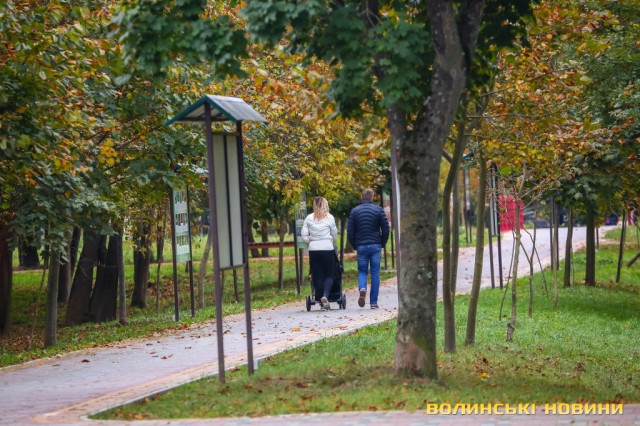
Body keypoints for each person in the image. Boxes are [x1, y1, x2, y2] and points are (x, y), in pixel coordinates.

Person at [347, 188, 389, 309]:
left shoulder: (354, 211)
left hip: (361, 245)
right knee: (375, 273)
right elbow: (385, 229)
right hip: (375, 245)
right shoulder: (379, 210)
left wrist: (355, 245)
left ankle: (362, 288)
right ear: (372, 197)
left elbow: (350, 230)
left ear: (362, 197)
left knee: (362, 271)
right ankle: (373, 303)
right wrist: (382, 243)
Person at [301, 196, 338, 311]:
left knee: (317, 275)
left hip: (314, 250)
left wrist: (312, 241)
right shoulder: (330, 218)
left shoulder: (308, 218)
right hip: (327, 248)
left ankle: (321, 302)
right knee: (330, 274)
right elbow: (334, 234)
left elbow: (304, 235)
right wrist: (330, 240)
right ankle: (325, 296)